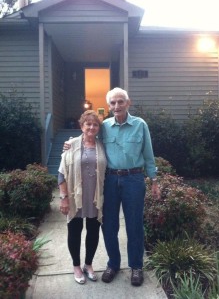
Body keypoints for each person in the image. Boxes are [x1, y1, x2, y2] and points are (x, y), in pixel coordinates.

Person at [63, 88, 160, 287]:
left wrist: (154, 181)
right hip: (109, 182)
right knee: (109, 226)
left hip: (134, 179)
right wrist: (70, 143)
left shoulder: (140, 125)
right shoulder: (105, 126)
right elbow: (88, 137)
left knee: (134, 225)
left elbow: (149, 155)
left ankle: (136, 266)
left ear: (128, 103)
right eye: (113, 103)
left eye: (120, 102)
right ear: (109, 106)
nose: (116, 106)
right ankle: (113, 264)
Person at [58, 110, 107, 284]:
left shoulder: (102, 146)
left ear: (98, 128)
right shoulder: (71, 144)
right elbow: (61, 173)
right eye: (88, 123)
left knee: (93, 232)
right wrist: (64, 198)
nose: (92, 127)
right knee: (75, 231)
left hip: (95, 197)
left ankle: (88, 264)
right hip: (74, 197)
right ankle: (76, 266)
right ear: (82, 126)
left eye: (95, 124)